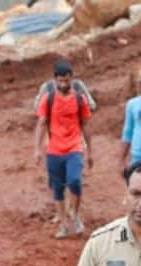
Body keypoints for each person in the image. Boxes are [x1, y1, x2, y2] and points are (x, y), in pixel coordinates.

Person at [34, 60, 94, 239]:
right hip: (54, 150)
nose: (63, 85)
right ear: (55, 80)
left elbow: (86, 125)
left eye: (67, 81)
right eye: (60, 81)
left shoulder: (79, 99)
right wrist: (37, 149)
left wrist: (89, 150)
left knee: (75, 181)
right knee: (58, 189)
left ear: (71, 79)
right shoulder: (48, 99)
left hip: (74, 147)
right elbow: (41, 123)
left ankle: (74, 215)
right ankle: (63, 224)